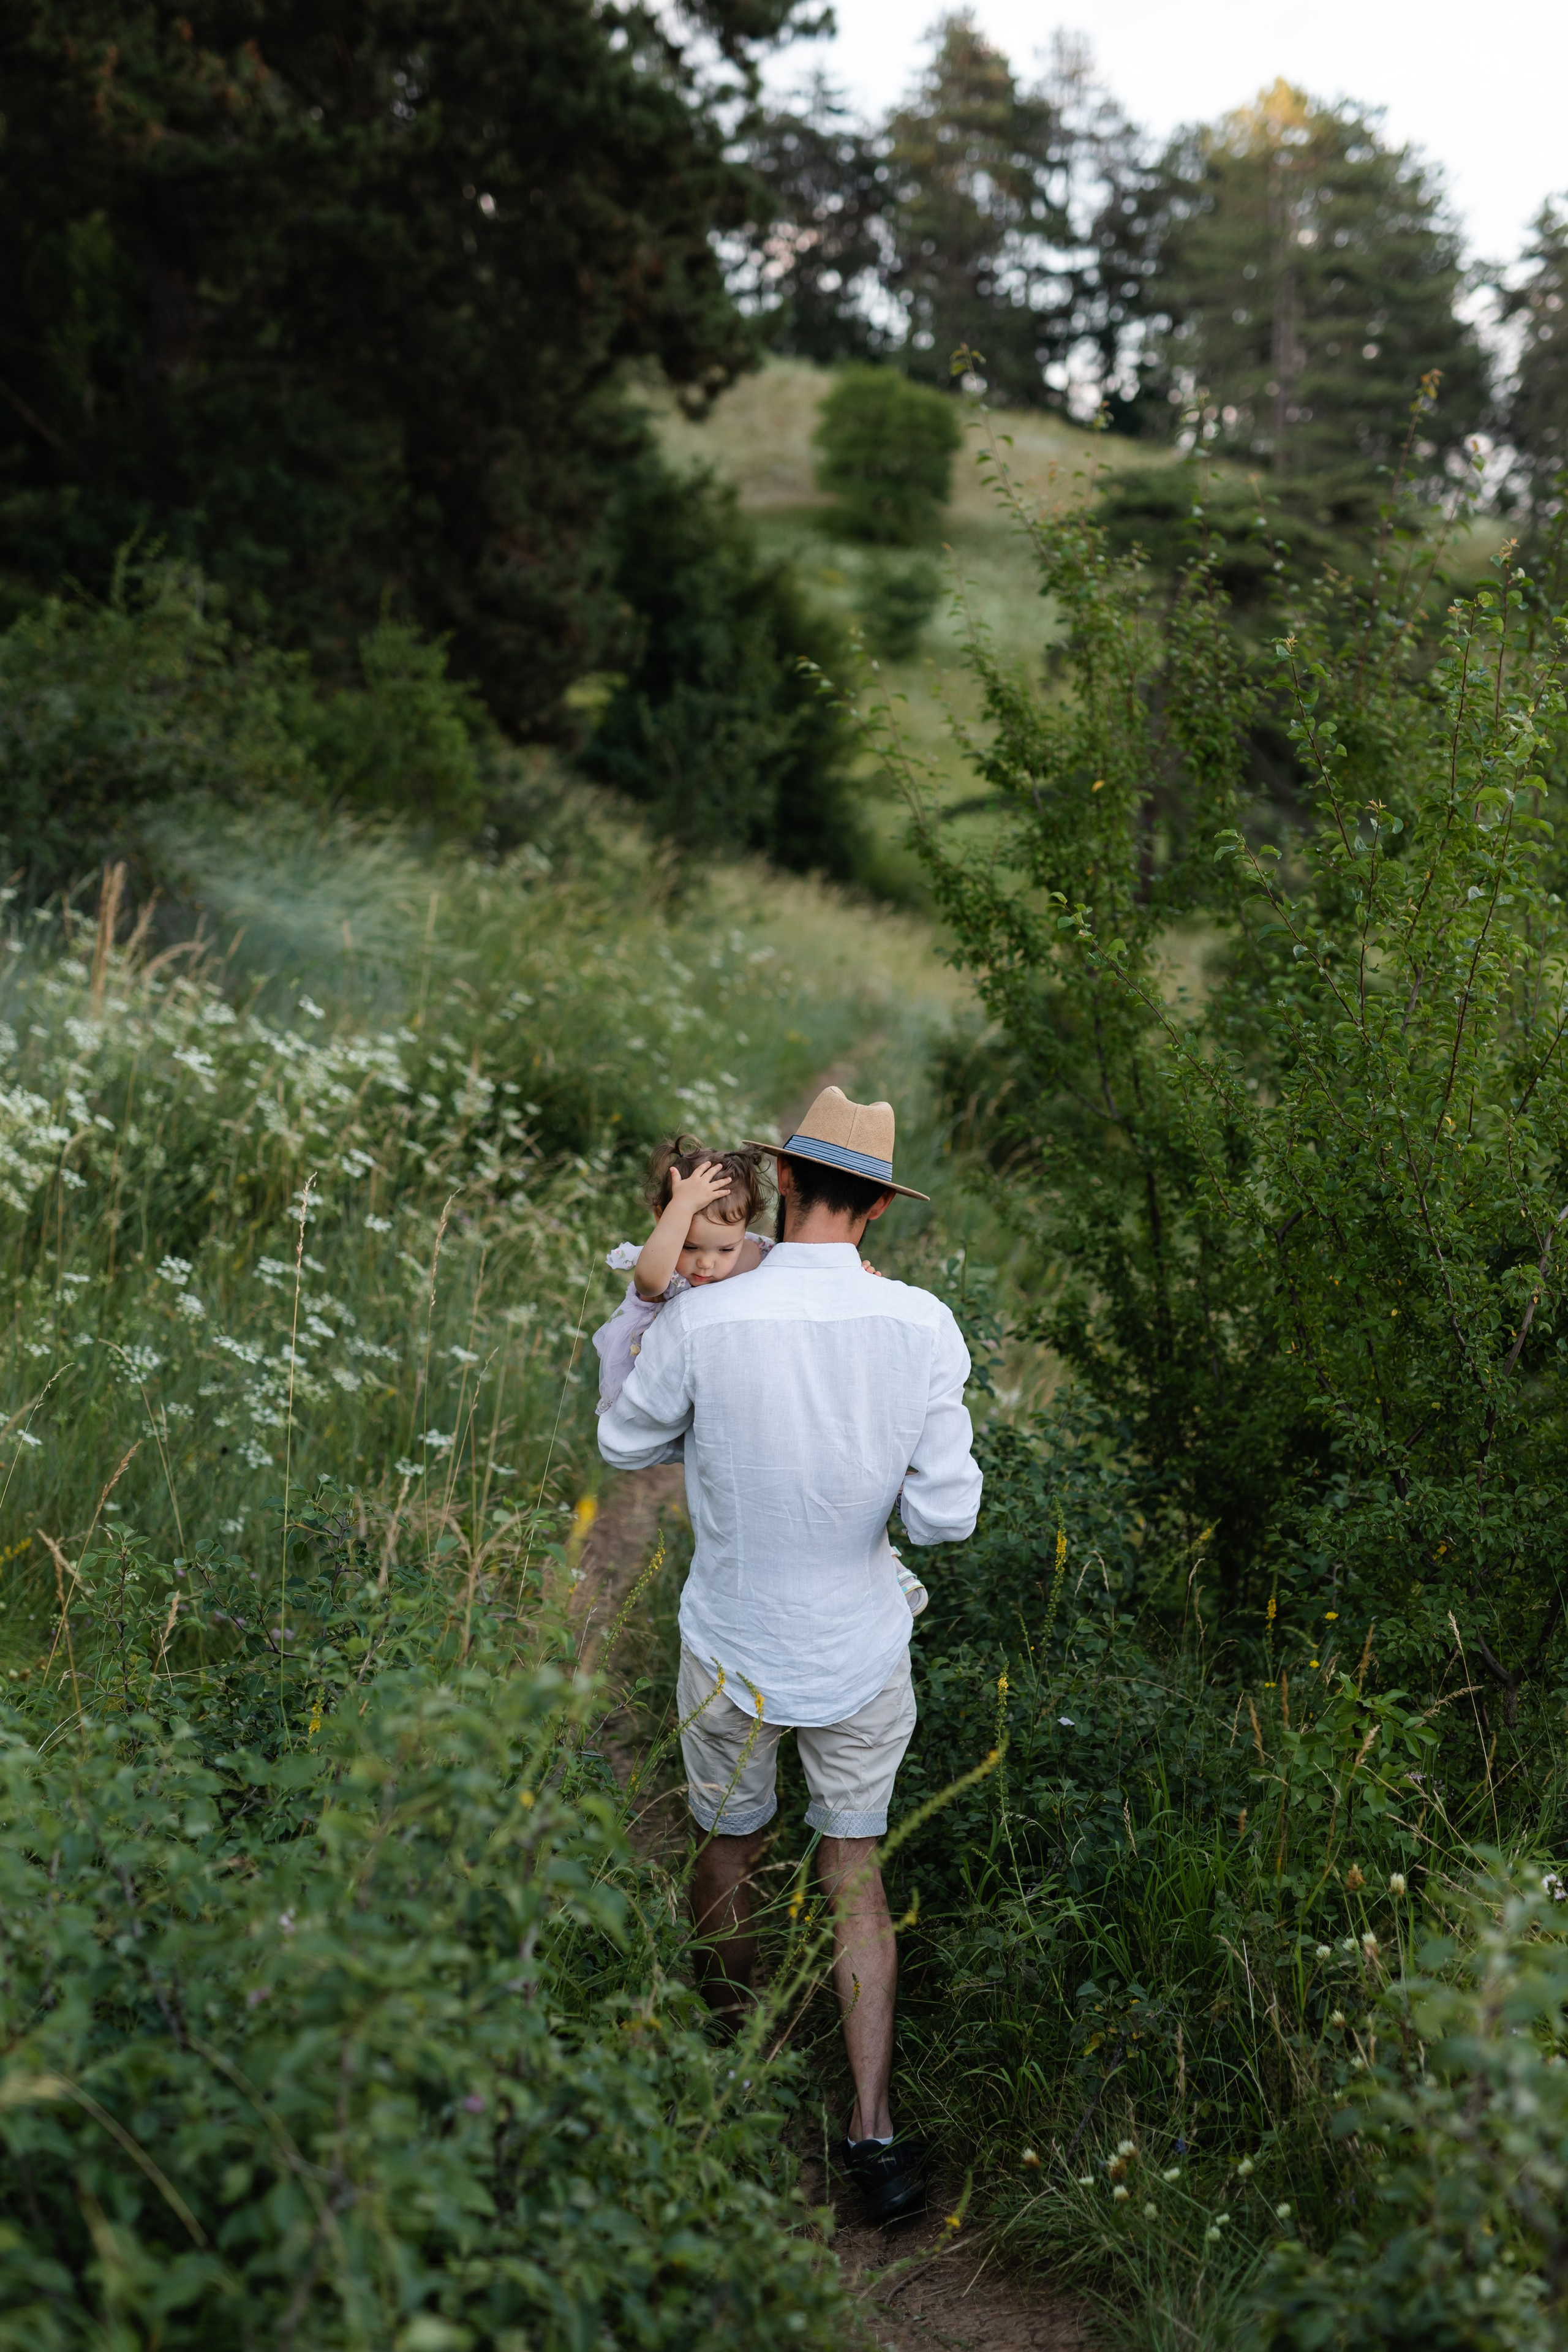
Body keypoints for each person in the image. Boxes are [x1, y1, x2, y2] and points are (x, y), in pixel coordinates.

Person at [598, 1085, 982, 2225]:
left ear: (788, 1189)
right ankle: (873, 2127)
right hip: (859, 1644)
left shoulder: (707, 1320)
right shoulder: (922, 1326)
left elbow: (626, 1441)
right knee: (854, 1872)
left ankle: (742, 2079)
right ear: (873, 1212)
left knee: (730, 1850)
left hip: (731, 1637)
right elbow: (947, 1518)